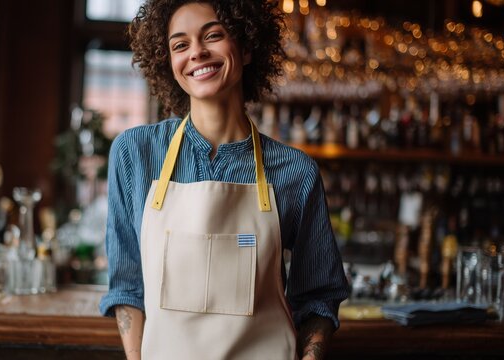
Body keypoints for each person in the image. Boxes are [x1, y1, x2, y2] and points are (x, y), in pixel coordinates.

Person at [99, 1, 350, 359]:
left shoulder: (296, 172)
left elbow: (318, 298)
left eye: (213, 36)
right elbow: (127, 287)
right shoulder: (135, 154)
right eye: (180, 45)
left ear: (247, 47)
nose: (197, 53)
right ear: (168, 62)